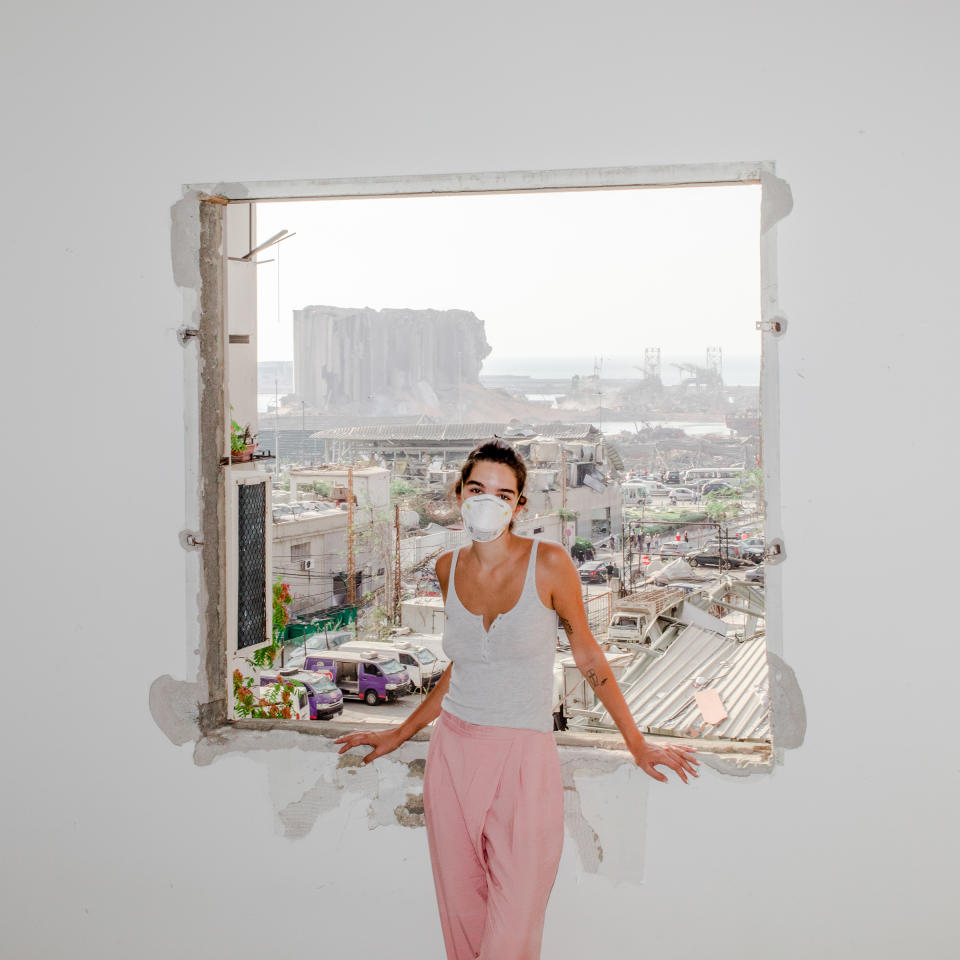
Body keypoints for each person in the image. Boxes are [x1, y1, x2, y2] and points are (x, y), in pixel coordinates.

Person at [336, 439, 697, 960]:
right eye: (477, 488)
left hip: (523, 761)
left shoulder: (548, 564)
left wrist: (638, 746)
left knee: (512, 936)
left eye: (504, 494)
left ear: (520, 505)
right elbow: (465, 669)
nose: (489, 501)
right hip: (453, 757)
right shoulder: (446, 569)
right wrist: (399, 732)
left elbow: (591, 659)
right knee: (462, 927)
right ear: (459, 493)